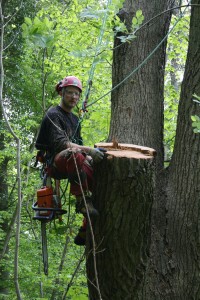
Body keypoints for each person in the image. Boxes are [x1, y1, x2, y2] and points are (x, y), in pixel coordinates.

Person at [35, 75, 105, 244]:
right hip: (55, 163)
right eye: (70, 93)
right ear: (62, 93)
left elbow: (78, 143)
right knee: (73, 153)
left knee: (98, 175)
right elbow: (62, 144)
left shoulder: (75, 119)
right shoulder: (53, 114)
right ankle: (81, 201)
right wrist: (89, 150)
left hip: (74, 162)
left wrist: (89, 157)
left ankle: (85, 227)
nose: (74, 97)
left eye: (77, 94)